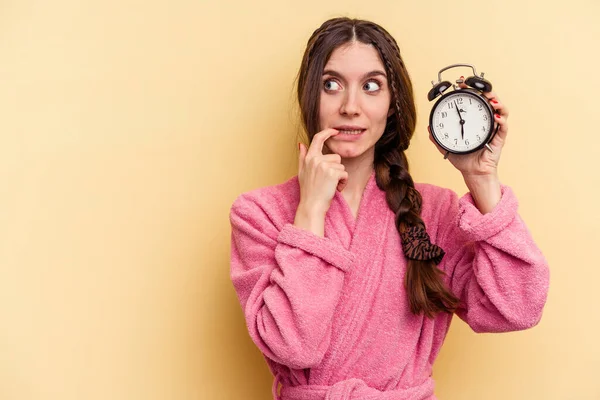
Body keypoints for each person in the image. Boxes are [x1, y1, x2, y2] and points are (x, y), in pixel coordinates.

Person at [228, 17, 549, 400]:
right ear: (309, 97)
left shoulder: (434, 212)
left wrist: (482, 180)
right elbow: (294, 347)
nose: (350, 107)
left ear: (392, 103)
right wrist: (311, 212)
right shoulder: (259, 213)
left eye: (371, 86)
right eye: (331, 85)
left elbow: (517, 308)